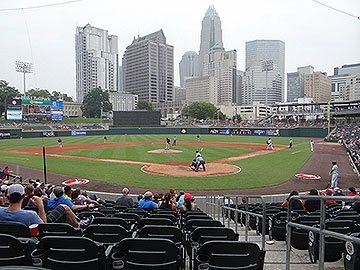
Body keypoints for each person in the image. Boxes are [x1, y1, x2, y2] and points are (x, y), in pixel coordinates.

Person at [0, 184, 93, 229]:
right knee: (63, 207)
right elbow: (44, 227)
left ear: (7, 197)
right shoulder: (30, 215)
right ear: (23, 196)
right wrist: (40, 206)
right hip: (29, 243)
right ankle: (79, 225)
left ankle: (79, 223)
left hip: (10, 243)